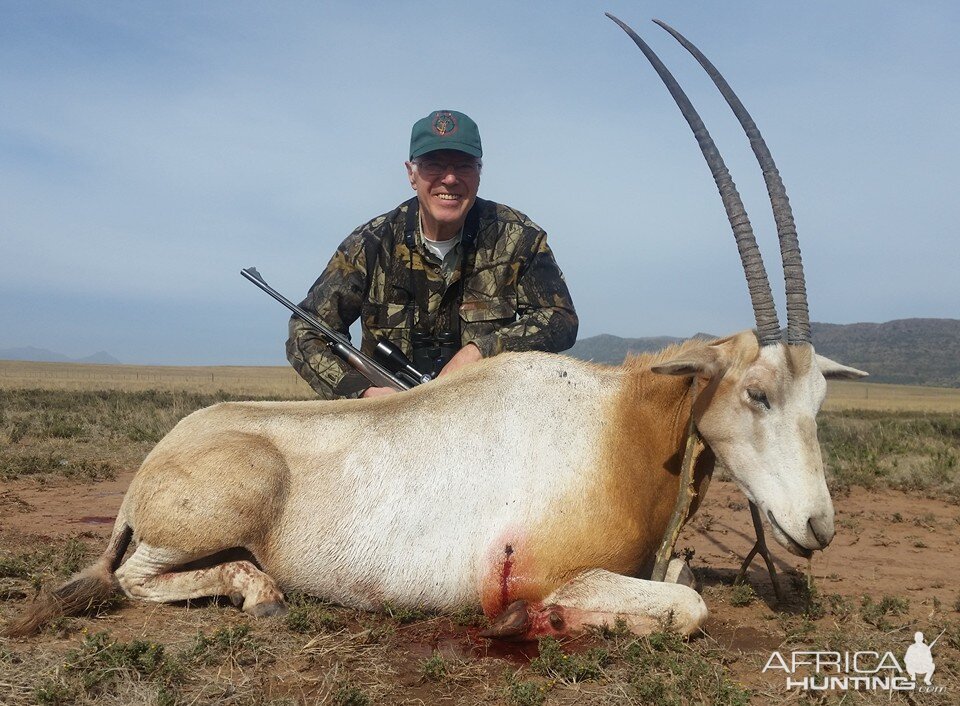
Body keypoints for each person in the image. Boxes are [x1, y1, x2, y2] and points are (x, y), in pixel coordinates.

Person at [287, 109, 578, 399]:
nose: (449, 179)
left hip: (487, 416)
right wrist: (361, 393)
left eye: (463, 166)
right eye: (433, 166)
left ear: (479, 173)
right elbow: (306, 330)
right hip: (387, 420)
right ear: (411, 174)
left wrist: (481, 351)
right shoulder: (370, 243)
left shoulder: (519, 238)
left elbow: (560, 319)